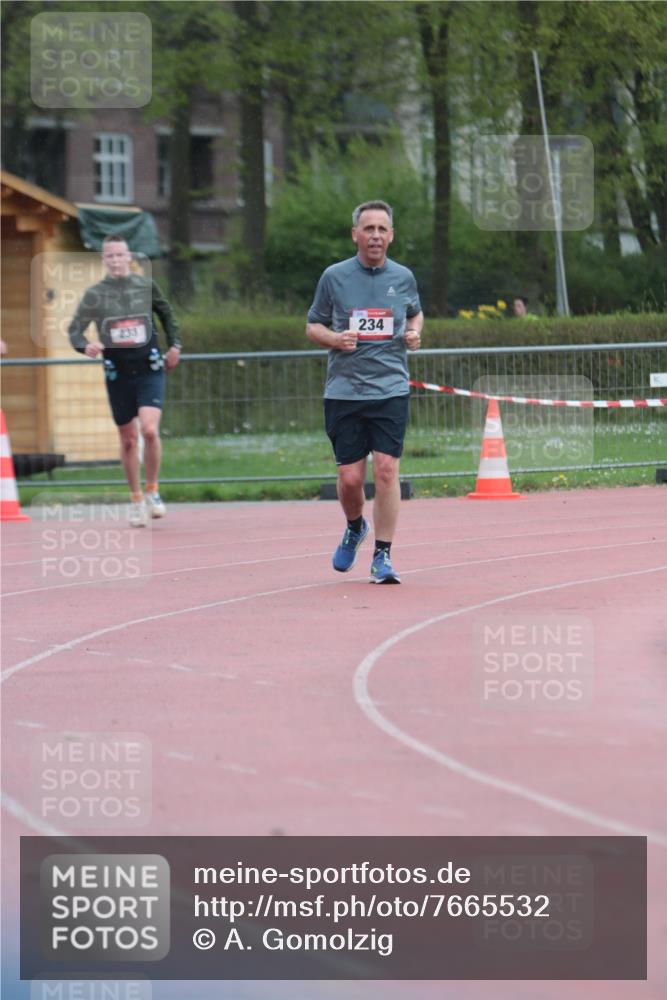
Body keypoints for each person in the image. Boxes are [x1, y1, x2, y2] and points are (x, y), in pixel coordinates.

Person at [306, 200, 423, 584]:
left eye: (382, 229)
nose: (375, 236)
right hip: (345, 391)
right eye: (368, 229)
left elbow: (415, 313)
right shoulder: (334, 277)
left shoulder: (403, 277)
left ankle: (383, 556)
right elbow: (312, 326)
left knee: (386, 469)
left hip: (390, 388)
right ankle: (355, 526)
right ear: (355, 234)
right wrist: (335, 339)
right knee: (351, 479)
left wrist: (414, 333)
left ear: (391, 236)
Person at [68, 235, 182, 526]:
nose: (116, 261)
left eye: (120, 255)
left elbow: (167, 314)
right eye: (110, 256)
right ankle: (135, 500)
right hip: (117, 373)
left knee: (149, 430)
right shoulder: (96, 294)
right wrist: (86, 346)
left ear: (129, 257)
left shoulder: (145, 286)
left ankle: (152, 491)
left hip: (148, 368)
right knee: (129, 439)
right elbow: (75, 330)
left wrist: (175, 345)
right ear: (104, 260)